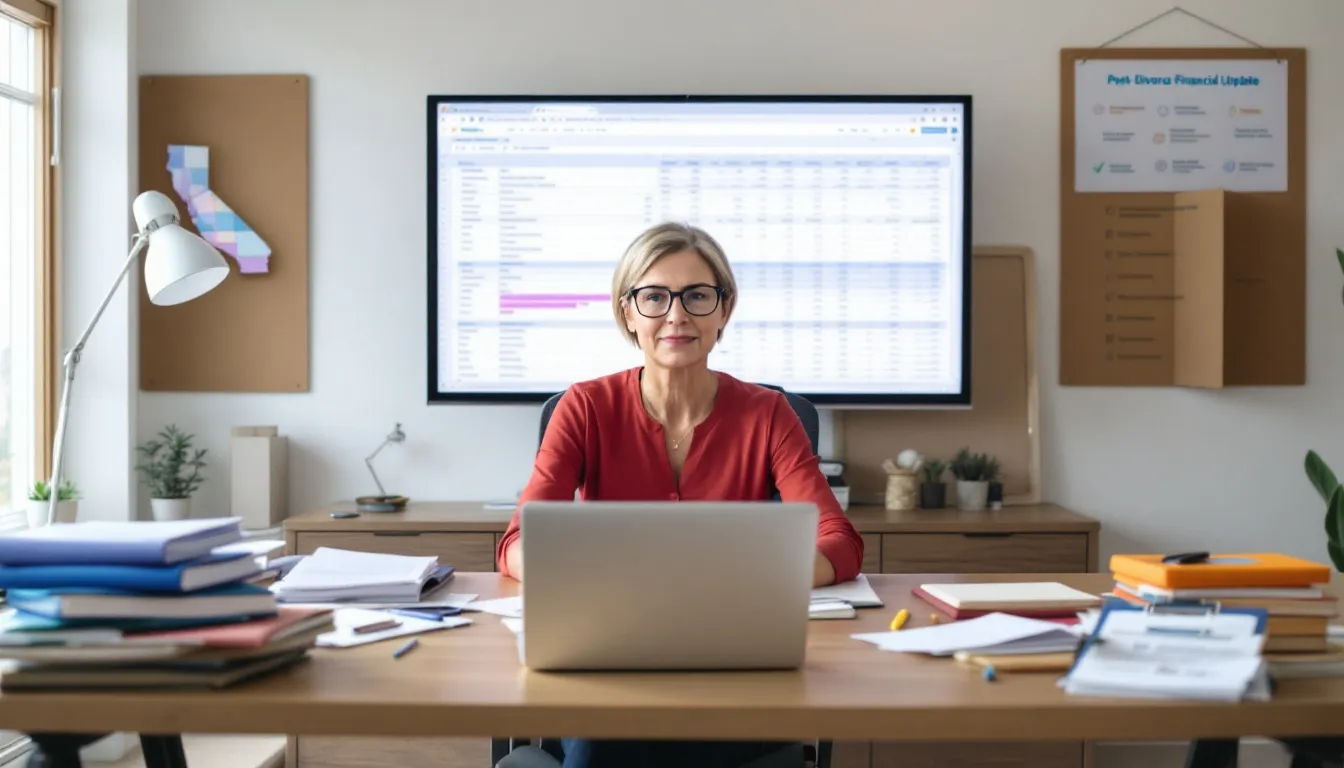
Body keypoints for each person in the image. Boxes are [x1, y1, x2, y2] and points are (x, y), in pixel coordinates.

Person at [495, 221, 863, 768]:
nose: (676, 315)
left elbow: (841, 542)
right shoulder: (585, 407)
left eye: (696, 295)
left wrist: (749, 580)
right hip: (608, 658)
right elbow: (515, 543)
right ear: (627, 313)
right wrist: (586, 580)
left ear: (724, 310)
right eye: (654, 296)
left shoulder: (767, 413)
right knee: (605, 739)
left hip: (731, 662)